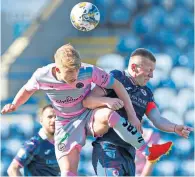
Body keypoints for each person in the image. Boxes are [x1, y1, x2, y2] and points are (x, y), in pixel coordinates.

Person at [2, 44, 173, 176]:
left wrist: (131, 114)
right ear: (57, 69)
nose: (73, 82)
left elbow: (117, 85)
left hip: (88, 113)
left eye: (76, 76)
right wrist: (15, 105)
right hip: (67, 122)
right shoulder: (42, 75)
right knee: (68, 173)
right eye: (69, 77)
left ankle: (147, 151)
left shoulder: (89, 71)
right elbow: (27, 89)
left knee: (108, 114)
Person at [83, 48, 193, 176]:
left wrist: (174, 128)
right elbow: (89, 100)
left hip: (129, 153)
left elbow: (157, 119)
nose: (151, 76)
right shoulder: (117, 77)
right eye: (149, 71)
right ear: (134, 67)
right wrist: (107, 100)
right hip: (109, 149)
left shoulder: (147, 93)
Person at [7, 104, 60, 176]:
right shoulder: (34, 144)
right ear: (41, 120)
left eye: (57, 117)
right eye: (50, 117)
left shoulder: (62, 142)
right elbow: (12, 169)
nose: (54, 120)